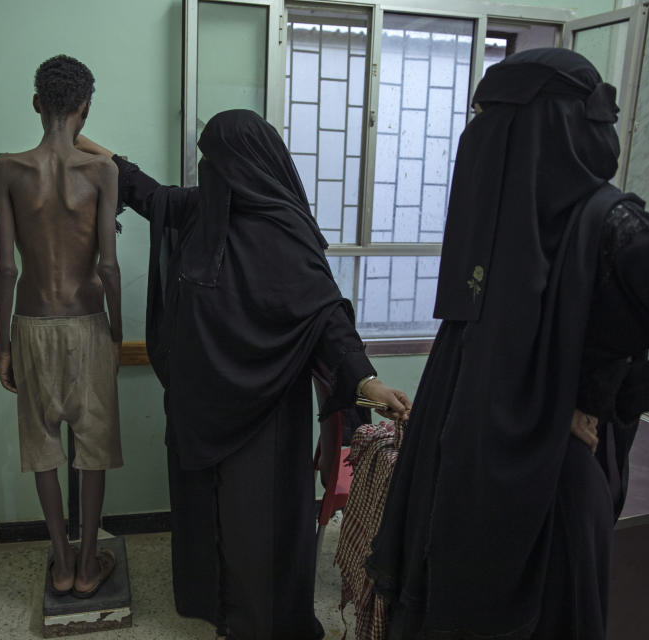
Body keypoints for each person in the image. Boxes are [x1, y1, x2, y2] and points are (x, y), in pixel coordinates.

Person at [365, 48, 649, 639]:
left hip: (544, 506)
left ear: (540, 127)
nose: (475, 138)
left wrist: (607, 390)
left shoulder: (616, 233)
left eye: (488, 119)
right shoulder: (503, 229)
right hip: (463, 488)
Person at [76, 109, 412, 640]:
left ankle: (262, 621)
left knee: (256, 523)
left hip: (265, 414)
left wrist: (367, 384)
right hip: (200, 406)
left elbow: (325, 316)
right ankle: (216, 606)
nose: (207, 169)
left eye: (214, 159)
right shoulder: (201, 212)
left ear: (243, 163)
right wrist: (78, 138)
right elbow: (143, 190)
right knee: (208, 513)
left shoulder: (285, 229)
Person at [0, 55, 122, 599]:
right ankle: (90, 565)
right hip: (88, 320)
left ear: (37, 103)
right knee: (92, 447)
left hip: (31, 322)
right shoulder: (102, 171)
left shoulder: (6, 168)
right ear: (85, 109)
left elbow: (5, 266)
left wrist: (2, 345)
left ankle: (62, 563)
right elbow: (109, 264)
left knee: (42, 444)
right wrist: (117, 332)